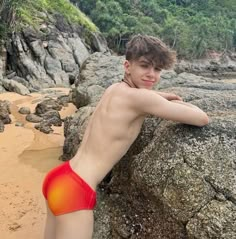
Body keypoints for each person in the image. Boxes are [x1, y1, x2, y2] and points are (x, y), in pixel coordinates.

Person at [42, 34, 209, 239]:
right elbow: (201, 118)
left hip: (60, 176)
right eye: (145, 66)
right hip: (78, 188)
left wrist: (158, 96)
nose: (151, 74)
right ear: (128, 66)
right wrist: (176, 102)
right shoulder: (141, 99)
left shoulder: (114, 89)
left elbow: (142, 97)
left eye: (157, 69)